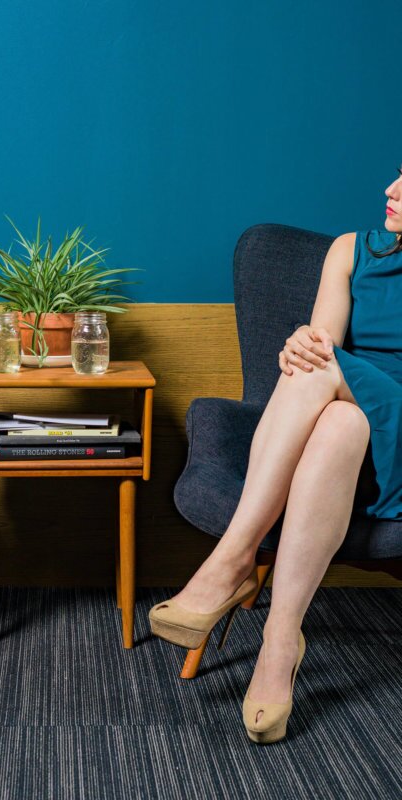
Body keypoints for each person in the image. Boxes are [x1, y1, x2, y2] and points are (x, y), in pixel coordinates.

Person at [150, 164, 402, 743]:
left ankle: (230, 561)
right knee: (333, 409)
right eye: (394, 175)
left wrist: (323, 361)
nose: (389, 190)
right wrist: (302, 343)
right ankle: (280, 641)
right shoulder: (349, 250)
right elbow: (321, 347)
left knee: (327, 377)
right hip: (352, 429)